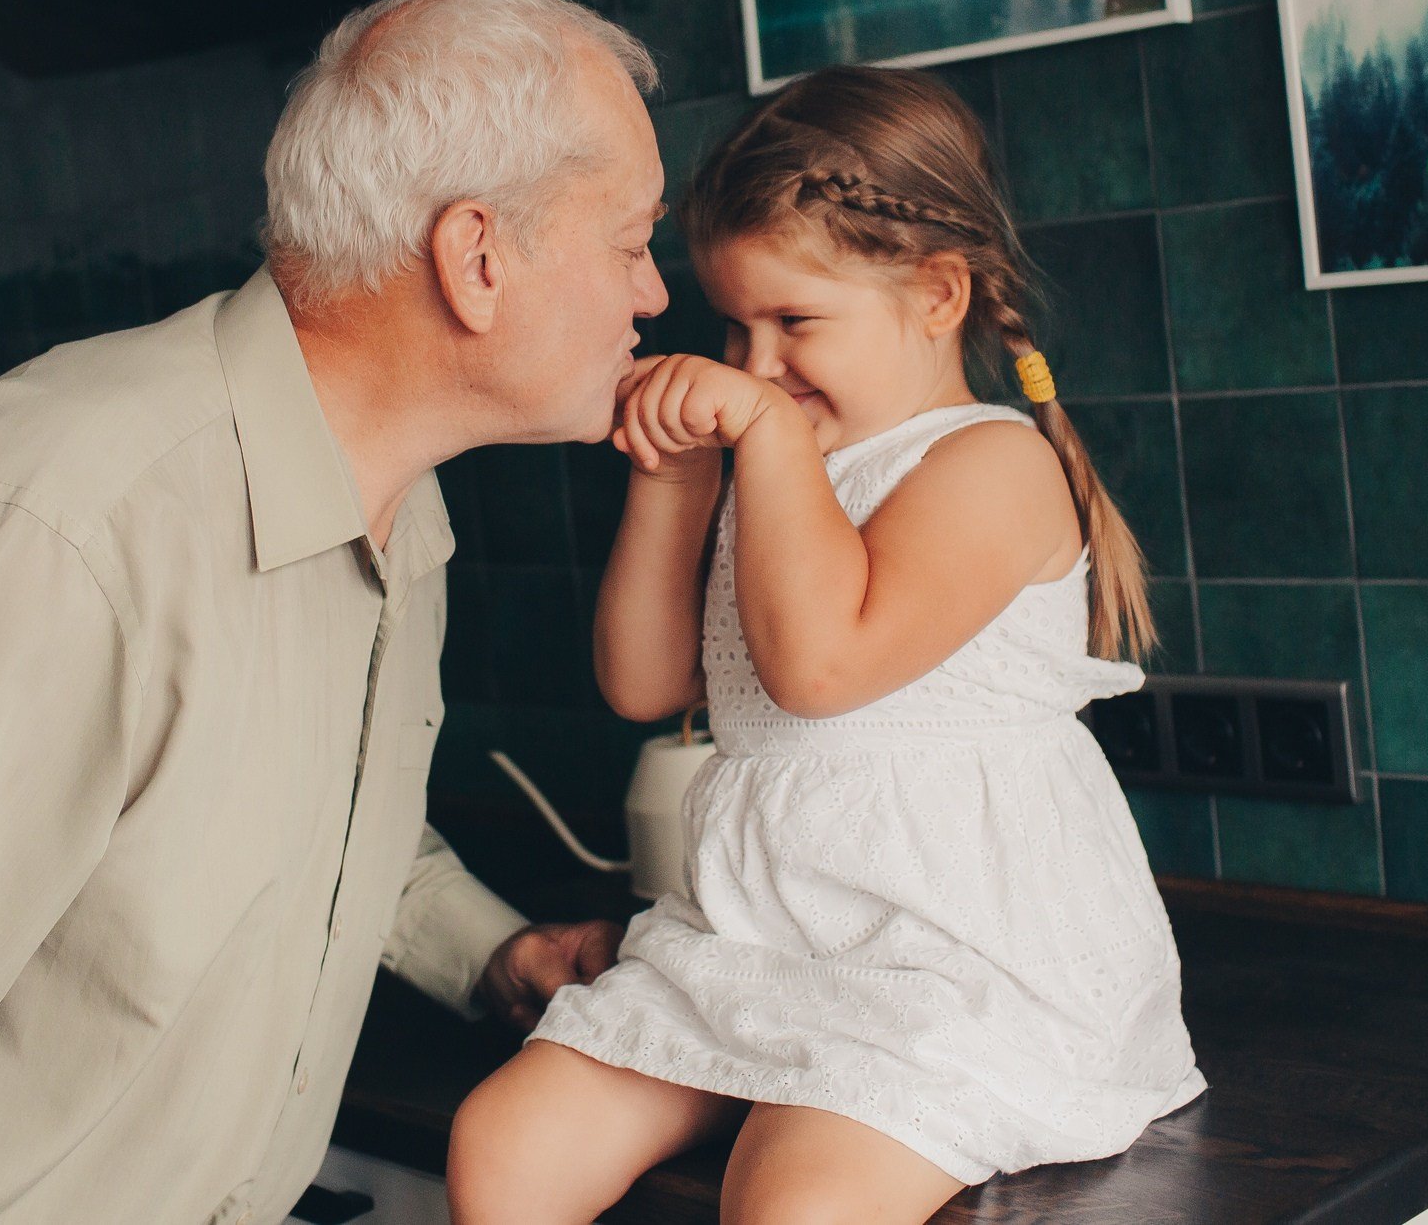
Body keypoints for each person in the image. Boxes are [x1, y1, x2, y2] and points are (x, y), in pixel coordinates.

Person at [0, 0, 669, 1225]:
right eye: (630, 243)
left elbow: (305, 817)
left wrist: (489, 952)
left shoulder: (398, 506)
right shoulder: (47, 531)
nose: (653, 295)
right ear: (477, 259)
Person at [448, 67, 1205, 1224]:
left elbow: (818, 671)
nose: (755, 364)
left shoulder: (990, 465)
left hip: (948, 963)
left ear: (937, 294)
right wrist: (674, 480)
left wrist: (761, 439)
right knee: (502, 1143)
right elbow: (643, 684)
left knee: (791, 1205)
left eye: (795, 323)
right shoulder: (776, 462)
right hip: (756, 940)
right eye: (734, 326)